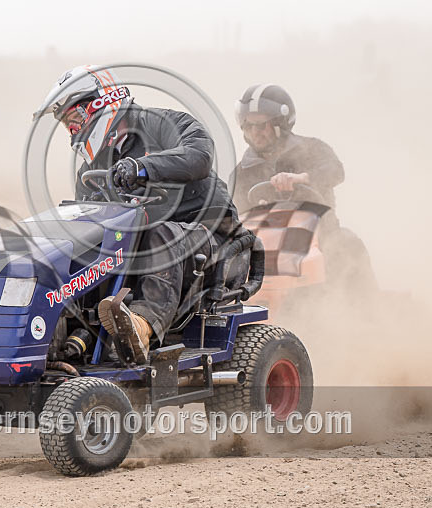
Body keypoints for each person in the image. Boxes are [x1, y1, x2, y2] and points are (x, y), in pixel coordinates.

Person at [33, 66, 241, 365]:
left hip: (212, 238)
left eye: (75, 119)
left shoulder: (167, 123)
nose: (74, 131)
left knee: (159, 233)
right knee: (77, 250)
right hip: (139, 248)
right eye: (68, 125)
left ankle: (142, 327)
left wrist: (142, 167)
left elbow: (200, 157)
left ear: (102, 103)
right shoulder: (91, 171)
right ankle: (62, 338)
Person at [230, 84, 376, 290]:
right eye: (248, 126)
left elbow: (336, 171)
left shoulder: (312, 149)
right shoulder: (241, 172)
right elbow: (233, 210)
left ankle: (366, 308)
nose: (255, 132)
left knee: (347, 242)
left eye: (261, 125)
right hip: (267, 244)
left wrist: (302, 178)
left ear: (281, 123)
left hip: (320, 235)